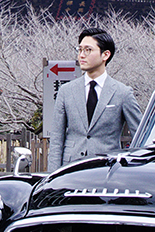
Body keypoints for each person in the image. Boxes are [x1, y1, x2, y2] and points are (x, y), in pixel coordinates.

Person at [46, 27, 143, 169]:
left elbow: (140, 135)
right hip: (70, 169)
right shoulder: (66, 91)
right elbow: (56, 139)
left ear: (105, 55)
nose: (81, 55)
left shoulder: (122, 93)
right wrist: (52, 175)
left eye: (88, 50)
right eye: (80, 50)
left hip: (107, 169)